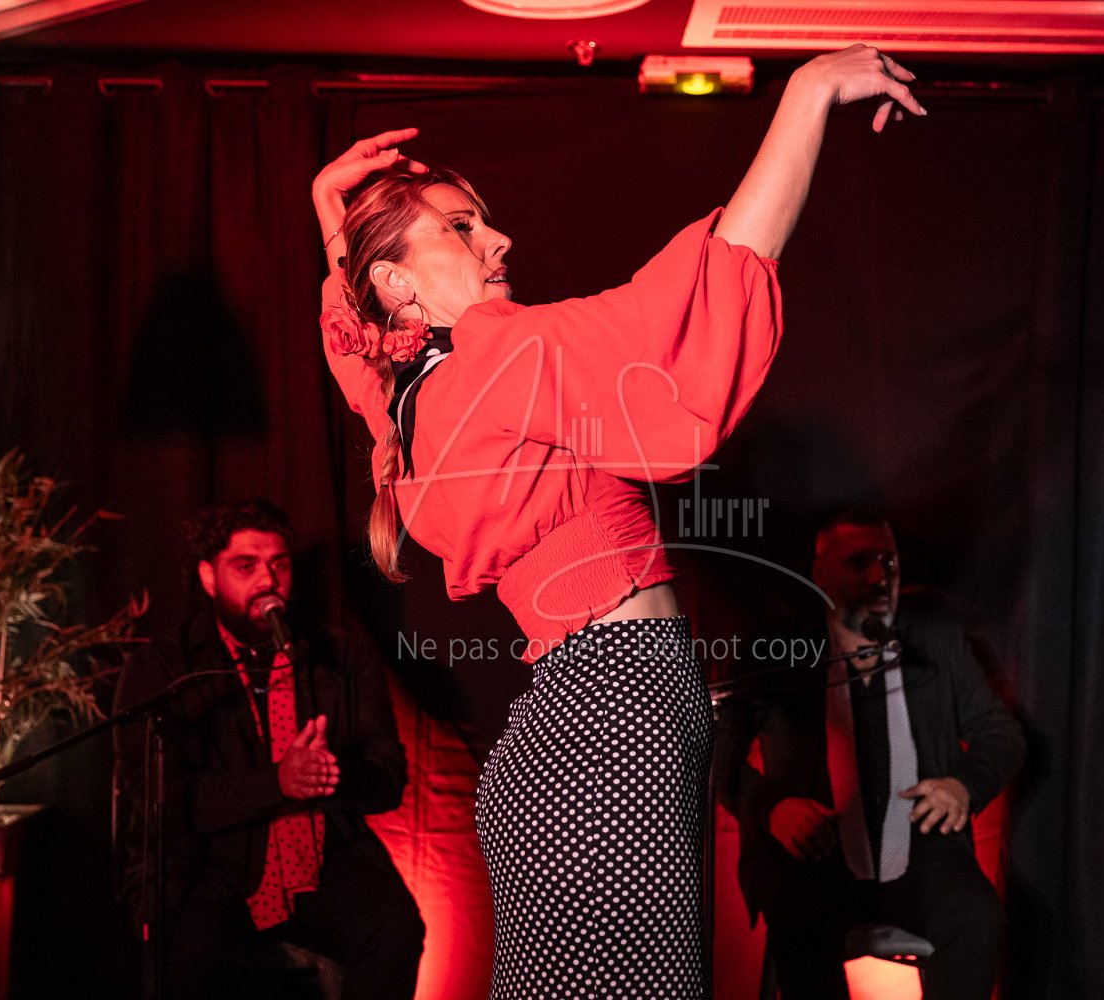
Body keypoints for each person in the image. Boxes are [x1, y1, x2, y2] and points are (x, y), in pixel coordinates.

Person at [310, 45, 927, 999]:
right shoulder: (487, 356)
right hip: (616, 710)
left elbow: (358, 341)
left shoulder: (407, 417)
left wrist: (331, 215)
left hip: (578, 720)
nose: (498, 241)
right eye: (463, 227)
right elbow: (683, 311)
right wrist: (806, 95)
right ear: (396, 285)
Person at [113, 498, 422, 1000]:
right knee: (183, 955)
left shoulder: (342, 655)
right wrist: (277, 783)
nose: (267, 580)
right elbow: (162, 799)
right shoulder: (164, 667)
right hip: (207, 863)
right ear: (209, 577)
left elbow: (388, 779)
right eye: (246, 566)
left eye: (279, 565)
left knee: (396, 928)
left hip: (322, 851)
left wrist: (328, 774)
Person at [719, 512, 1024, 999]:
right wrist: (773, 807)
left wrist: (963, 785)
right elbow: (716, 750)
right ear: (820, 574)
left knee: (978, 918)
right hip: (815, 855)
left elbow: (1000, 732)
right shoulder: (778, 652)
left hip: (922, 852)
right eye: (858, 562)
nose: (880, 576)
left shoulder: (936, 640)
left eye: (889, 562)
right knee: (796, 915)